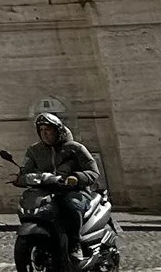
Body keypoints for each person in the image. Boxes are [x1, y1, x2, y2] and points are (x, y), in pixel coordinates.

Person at [15, 112, 101, 264]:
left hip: (74, 191)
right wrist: (20, 178)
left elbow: (93, 172)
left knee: (71, 205)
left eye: (48, 130)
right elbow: (25, 171)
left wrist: (77, 178)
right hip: (45, 191)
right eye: (41, 130)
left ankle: (74, 244)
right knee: (31, 203)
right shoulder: (34, 151)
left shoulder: (75, 148)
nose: (44, 134)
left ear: (58, 130)